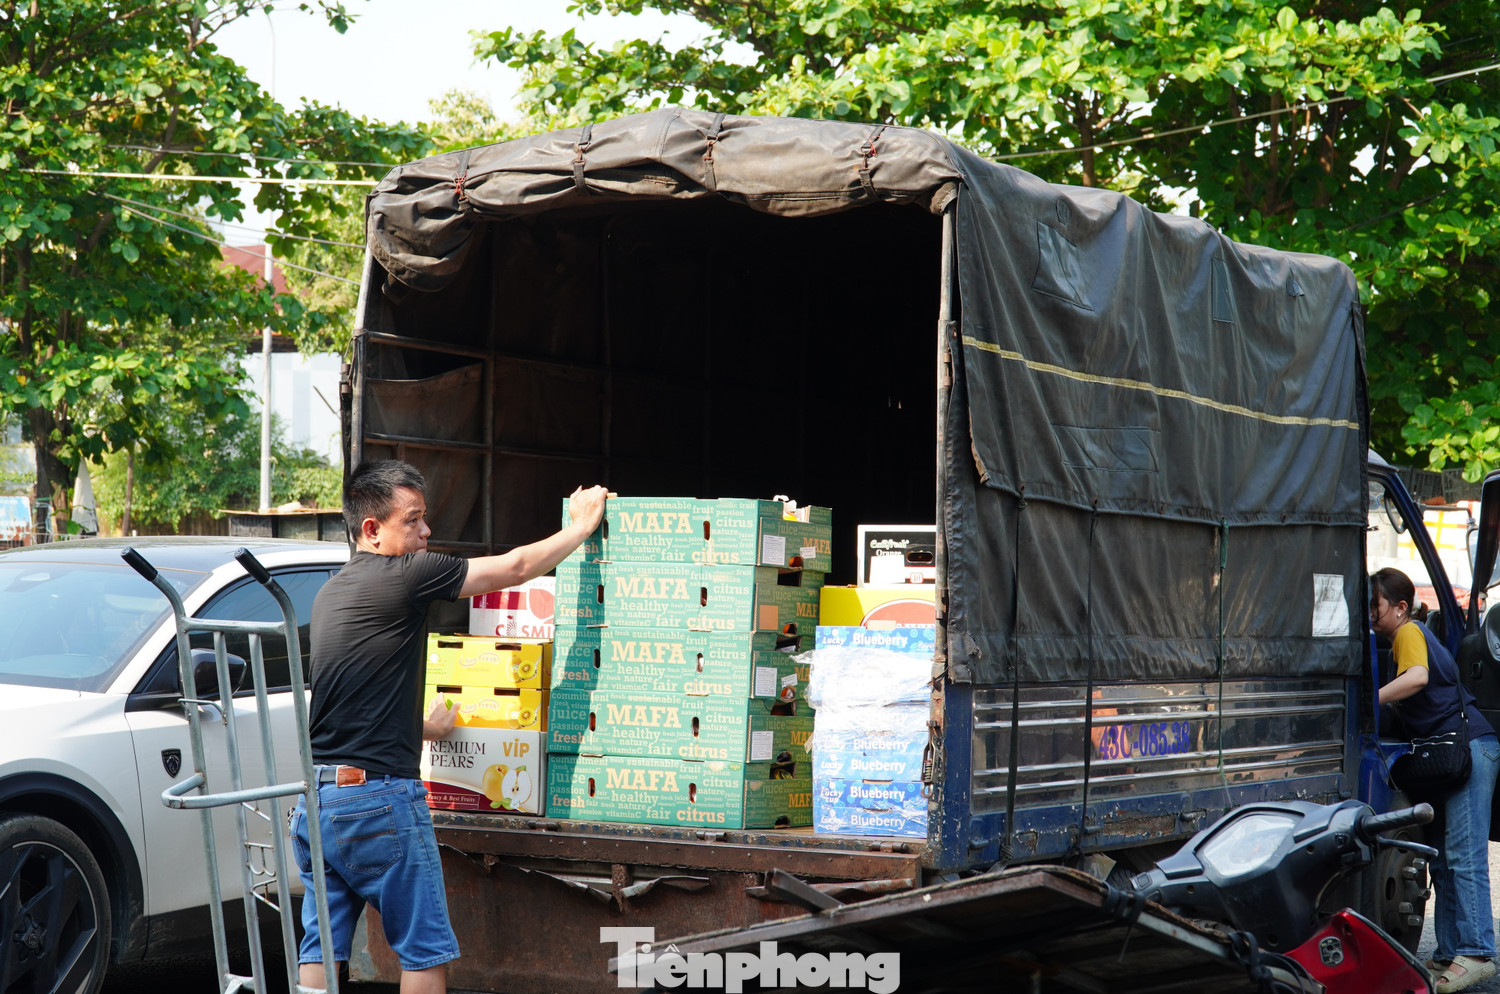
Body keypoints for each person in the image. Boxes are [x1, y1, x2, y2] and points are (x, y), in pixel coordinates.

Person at [289, 459, 607, 994]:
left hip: (317, 803)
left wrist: (425, 730)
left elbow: (350, 699)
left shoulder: (330, 594)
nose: (426, 532)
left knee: (322, 948)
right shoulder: (407, 574)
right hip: (379, 801)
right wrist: (580, 526)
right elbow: (513, 569)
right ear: (372, 530)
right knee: (423, 952)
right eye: (412, 520)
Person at [1374, 567, 1500, 994]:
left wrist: (1369, 701)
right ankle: (1449, 953)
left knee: (1463, 855)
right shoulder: (1408, 636)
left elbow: (1418, 679)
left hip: (1470, 751)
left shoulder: (1407, 634)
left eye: (1375, 605)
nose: (1370, 614)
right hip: (1461, 753)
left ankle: (1479, 952)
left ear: (1401, 607)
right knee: (1444, 859)